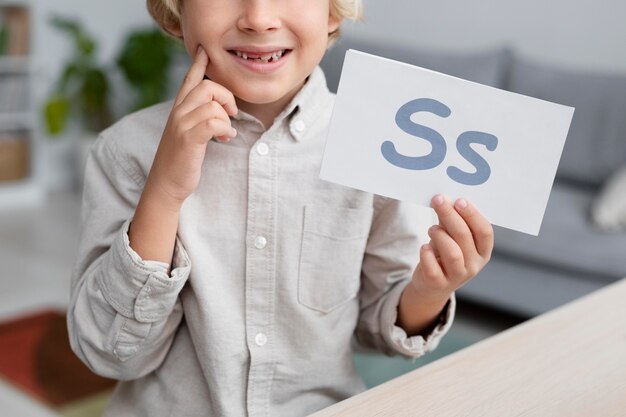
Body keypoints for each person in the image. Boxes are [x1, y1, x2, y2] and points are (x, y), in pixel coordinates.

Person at [67, 0, 494, 416]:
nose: (258, 18)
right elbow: (108, 353)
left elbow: (377, 329)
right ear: (177, 12)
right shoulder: (126, 152)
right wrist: (164, 192)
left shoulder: (380, 147)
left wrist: (430, 290)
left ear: (332, 11)